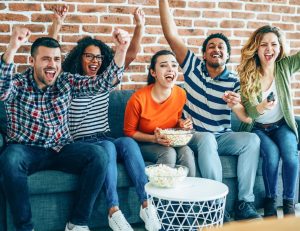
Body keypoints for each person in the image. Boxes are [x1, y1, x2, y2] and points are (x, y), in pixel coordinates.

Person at [0, 25, 129, 231]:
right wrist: (12, 47)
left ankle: (77, 223)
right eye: (46, 59)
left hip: (61, 148)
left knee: (98, 154)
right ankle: (25, 227)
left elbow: (103, 84)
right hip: (27, 149)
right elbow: (2, 90)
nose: (53, 65)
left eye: (57, 59)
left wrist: (121, 49)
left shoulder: (66, 81)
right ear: (31, 61)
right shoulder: (18, 83)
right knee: (10, 157)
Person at [49, 6, 161, 231]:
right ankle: (113, 210)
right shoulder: (67, 82)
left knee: (127, 142)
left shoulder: (106, 80)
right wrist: (57, 24)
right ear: (79, 57)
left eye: (99, 57)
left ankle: (146, 204)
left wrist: (139, 26)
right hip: (83, 143)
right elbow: (49, 57)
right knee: (108, 148)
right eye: (89, 55)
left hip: (104, 136)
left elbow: (130, 54)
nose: (95, 61)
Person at [158, 0, 262, 221]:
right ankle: (217, 205)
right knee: (207, 139)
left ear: (226, 57)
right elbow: (171, 35)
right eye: (211, 47)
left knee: (252, 140)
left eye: (221, 48)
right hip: (195, 135)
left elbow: (245, 116)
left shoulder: (235, 81)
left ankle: (245, 202)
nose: (216, 49)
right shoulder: (193, 68)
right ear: (204, 54)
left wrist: (236, 105)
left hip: (222, 135)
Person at [237, 25, 300, 217]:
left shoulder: (284, 66)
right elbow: (250, 113)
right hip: (257, 128)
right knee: (271, 156)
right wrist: (263, 106)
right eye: (263, 44)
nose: (269, 49)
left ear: (280, 47)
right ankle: (270, 201)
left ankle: (289, 203)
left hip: (282, 125)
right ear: (256, 48)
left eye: (274, 44)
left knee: (291, 156)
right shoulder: (248, 73)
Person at [124, 49, 196, 177]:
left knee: (187, 152)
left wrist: (182, 124)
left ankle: (189, 194)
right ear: (153, 72)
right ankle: (160, 196)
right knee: (168, 153)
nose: (170, 69)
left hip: (169, 140)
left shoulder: (181, 93)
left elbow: (174, 120)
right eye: (163, 65)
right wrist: (154, 139)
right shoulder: (137, 99)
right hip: (145, 143)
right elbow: (129, 132)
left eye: (174, 65)